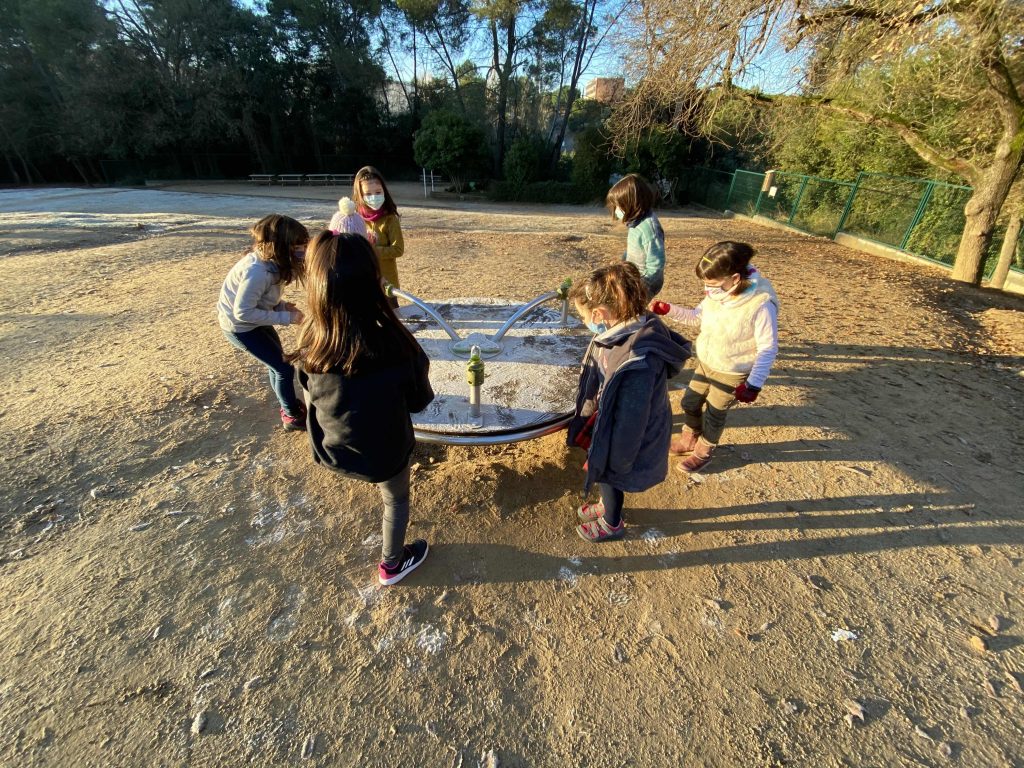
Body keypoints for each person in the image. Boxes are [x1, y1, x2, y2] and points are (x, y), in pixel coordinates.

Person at [289, 231, 434, 585]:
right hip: (385, 456)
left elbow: (307, 395)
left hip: (333, 450)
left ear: (318, 287)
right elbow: (419, 402)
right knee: (395, 500)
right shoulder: (397, 344)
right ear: (374, 284)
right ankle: (392, 565)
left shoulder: (310, 343)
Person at [567, 262, 691, 542]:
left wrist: (617, 459)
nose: (585, 322)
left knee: (610, 476)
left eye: (583, 316)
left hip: (626, 436)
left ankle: (611, 522)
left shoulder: (637, 359)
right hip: (612, 421)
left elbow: (632, 419)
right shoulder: (623, 330)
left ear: (599, 313)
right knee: (606, 474)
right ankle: (607, 505)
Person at [650, 241, 779, 473]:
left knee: (715, 412)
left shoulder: (760, 305)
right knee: (689, 402)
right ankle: (690, 438)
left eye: (712, 284)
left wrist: (753, 384)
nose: (707, 290)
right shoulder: (718, 294)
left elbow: (767, 348)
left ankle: (704, 450)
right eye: (705, 284)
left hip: (733, 370)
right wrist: (669, 310)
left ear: (735, 278)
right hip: (708, 362)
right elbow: (697, 317)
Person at [218, 214, 308, 431]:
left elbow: (263, 298)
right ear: (280, 247)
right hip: (241, 328)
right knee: (283, 368)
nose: (303, 251)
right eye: (298, 247)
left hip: (256, 321)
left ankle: (287, 406)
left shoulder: (272, 264)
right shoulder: (256, 271)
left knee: (276, 365)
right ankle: (292, 416)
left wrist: (281, 305)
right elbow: (243, 312)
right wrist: (286, 318)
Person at [606, 173, 666, 298]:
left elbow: (656, 265)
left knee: (631, 308)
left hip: (645, 284)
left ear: (632, 204)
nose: (616, 211)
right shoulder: (635, 223)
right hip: (634, 278)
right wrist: (623, 262)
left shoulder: (649, 228)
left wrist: (641, 287)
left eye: (619, 206)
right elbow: (634, 248)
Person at [352, 166, 404, 306]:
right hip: (364, 282)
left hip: (387, 284)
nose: (374, 197)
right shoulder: (355, 218)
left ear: (384, 191)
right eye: (368, 194)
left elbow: (398, 249)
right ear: (360, 195)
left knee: (392, 316)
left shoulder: (390, 219)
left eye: (378, 192)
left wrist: (372, 250)